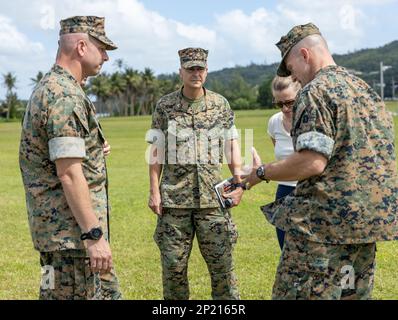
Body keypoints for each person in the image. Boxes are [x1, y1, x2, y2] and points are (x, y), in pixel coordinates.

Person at [244, 23, 398, 299]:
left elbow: (312, 162)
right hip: (364, 228)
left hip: (322, 230)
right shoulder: (366, 92)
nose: (295, 78)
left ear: (305, 54)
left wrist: (261, 172)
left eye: (291, 69)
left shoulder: (315, 92)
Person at [19, 16, 121, 300]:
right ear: (80, 46)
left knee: (53, 292)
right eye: (101, 48)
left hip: (59, 240)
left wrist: (91, 152)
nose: (105, 57)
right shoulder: (64, 95)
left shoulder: (51, 87)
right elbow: (69, 173)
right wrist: (93, 235)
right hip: (73, 241)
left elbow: (58, 156)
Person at [146, 47, 244, 300]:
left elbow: (231, 146)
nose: (195, 73)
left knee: (222, 268)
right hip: (174, 201)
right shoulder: (165, 106)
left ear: (207, 71)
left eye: (200, 68)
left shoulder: (220, 104)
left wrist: (239, 183)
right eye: (190, 69)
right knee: (174, 269)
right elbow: (156, 151)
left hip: (214, 200)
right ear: (181, 72)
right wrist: (154, 192)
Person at [267, 76, 301, 250]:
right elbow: (281, 157)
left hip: (310, 191)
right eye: (279, 104)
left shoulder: (313, 119)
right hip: (284, 191)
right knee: (286, 250)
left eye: (290, 103)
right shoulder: (274, 122)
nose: (285, 109)